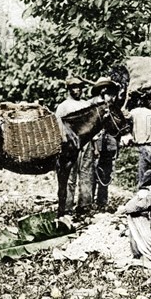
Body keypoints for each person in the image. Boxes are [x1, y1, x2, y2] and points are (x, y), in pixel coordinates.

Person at [55, 76, 94, 213]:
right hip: (70, 145)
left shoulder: (86, 105)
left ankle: (85, 205)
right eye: (74, 88)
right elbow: (58, 125)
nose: (77, 90)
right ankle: (67, 206)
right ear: (69, 90)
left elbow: (92, 125)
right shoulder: (63, 106)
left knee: (86, 174)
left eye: (79, 87)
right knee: (69, 174)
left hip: (86, 144)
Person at [91, 77, 120, 207]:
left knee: (106, 173)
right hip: (95, 143)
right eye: (108, 93)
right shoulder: (92, 106)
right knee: (92, 173)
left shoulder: (113, 108)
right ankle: (89, 201)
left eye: (112, 93)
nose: (111, 97)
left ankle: (102, 201)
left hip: (108, 144)